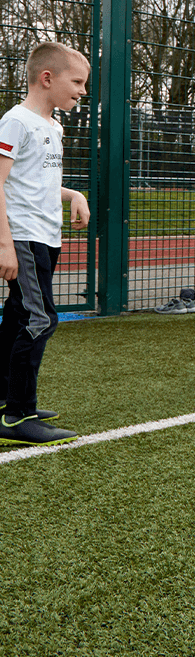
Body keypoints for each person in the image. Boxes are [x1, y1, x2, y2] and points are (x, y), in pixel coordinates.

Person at [0, 42, 91, 445]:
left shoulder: (53, 126)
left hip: (45, 237)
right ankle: (18, 417)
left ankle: (5, 399)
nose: (82, 91)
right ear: (47, 78)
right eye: (77, 82)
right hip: (21, 237)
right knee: (41, 320)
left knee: (20, 315)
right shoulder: (16, 121)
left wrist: (74, 196)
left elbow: (37, 184)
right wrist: (4, 244)